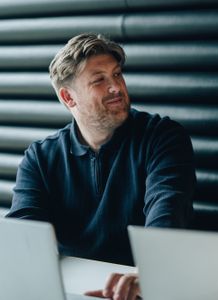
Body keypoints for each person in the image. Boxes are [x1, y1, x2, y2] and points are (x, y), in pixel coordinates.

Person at [6, 33, 196, 268]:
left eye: (117, 74)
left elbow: (168, 216)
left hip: (145, 281)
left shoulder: (163, 138)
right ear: (68, 97)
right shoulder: (40, 158)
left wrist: (147, 274)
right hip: (72, 287)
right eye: (99, 80)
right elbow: (22, 237)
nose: (116, 87)